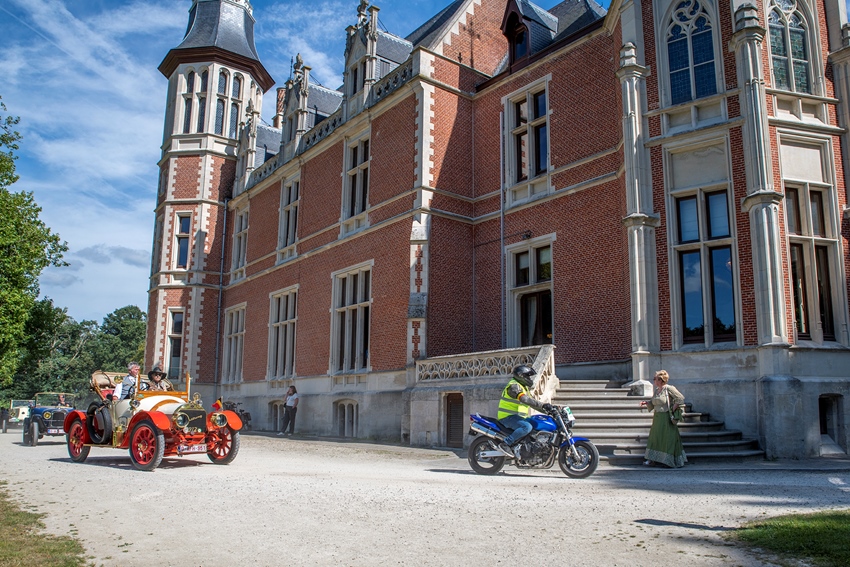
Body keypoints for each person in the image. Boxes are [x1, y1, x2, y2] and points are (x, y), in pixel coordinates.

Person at [496, 365, 553, 459]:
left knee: (535, 425)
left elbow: (532, 404)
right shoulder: (513, 386)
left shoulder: (523, 388)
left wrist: (549, 411)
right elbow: (524, 399)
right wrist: (543, 405)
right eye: (527, 376)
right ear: (521, 376)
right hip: (507, 417)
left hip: (519, 417)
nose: (529, 379)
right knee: (527, 427)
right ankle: (506, 443)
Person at [639, 370, 687, 468]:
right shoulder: (657, 390)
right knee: (655, 439)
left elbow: (680, 398)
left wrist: (672, 409)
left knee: (667, 439)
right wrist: (647, 403)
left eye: (655, 379)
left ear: (661, 380)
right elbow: (653, 402)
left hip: (666, 418)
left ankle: (668, 461)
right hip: (657, 418)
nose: (654, 380)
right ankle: (652, 459)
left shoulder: (669, 388)